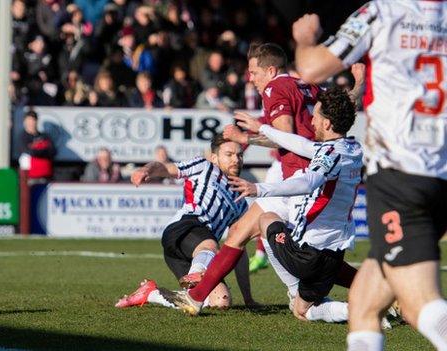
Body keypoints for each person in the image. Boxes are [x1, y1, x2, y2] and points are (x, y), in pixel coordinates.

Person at [155, 43, 362, 319]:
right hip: (313, 173)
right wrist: (358, 84)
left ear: (271, 70)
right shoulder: (306, 85)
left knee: (246, 230)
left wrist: (249, 137)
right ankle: (374, 291)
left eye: (254, 72)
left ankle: (196, 297)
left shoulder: (276, 88)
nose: (250, 78)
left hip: (298, 178)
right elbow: (340, 109)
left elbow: (285, 133)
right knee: (289, 246)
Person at [292, 2, 447, 350]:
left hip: (399, 177)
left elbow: (312, 69)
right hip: (439, 176)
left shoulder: (383, 11)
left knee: (419, 303)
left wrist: (304, 39)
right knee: (363, 304)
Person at [115, 134, 257, 309]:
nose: (236, 159)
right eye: (229, 154)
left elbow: (238, 248)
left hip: (197, 253)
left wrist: (248, 297)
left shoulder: (241, 200)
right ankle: (197, 273)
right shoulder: (203, 166)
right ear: (214, 157)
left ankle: (151, 293)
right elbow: (165, 168)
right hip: (184, 228)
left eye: (239, 155)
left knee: (220, 302)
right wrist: (146, 170)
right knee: (210, 245)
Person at [18, 108, 56, 182]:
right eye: (28, 121)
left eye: (33, 120)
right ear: (25, 122)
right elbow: (31, 152)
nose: (31, 123)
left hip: (45, 174)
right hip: (30, 176)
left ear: (36, 121)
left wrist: (38, 149)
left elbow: (53, 151)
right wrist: (43, 149)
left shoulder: (44, 136)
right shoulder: (23, 137)